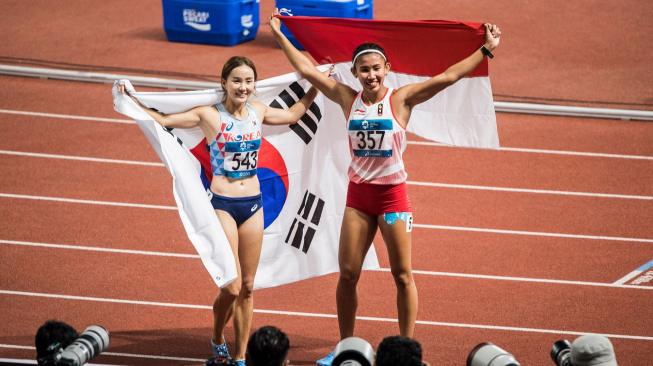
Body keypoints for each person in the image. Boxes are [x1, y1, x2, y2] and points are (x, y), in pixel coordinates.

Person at [270, 12, 501, 366]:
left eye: (377, 68)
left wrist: (485, 50)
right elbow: (307, 70)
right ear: (356, 72)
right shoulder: (348, 98)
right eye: (364, 69)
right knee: (347, 274)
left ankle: (408, 352)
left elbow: (449, 76)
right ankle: (345, 346)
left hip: (393, 196)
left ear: (387, 68)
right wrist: (280, 33)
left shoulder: (402, 99)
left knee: (403, 274)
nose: (371, 75)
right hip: (359, 199)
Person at [119, 56, 319, 366]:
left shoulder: (259, 111)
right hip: (224, 206)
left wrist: (316, 85)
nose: (243, 86)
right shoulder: (208, 116)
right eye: (237, 80)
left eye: (249, 81)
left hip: (253, 206)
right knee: (231, 285)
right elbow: (165, 121)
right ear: (224, 83)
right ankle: (216, 336)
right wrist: (132, 100)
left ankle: (239, 357)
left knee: (249, 287)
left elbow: (294, 113)